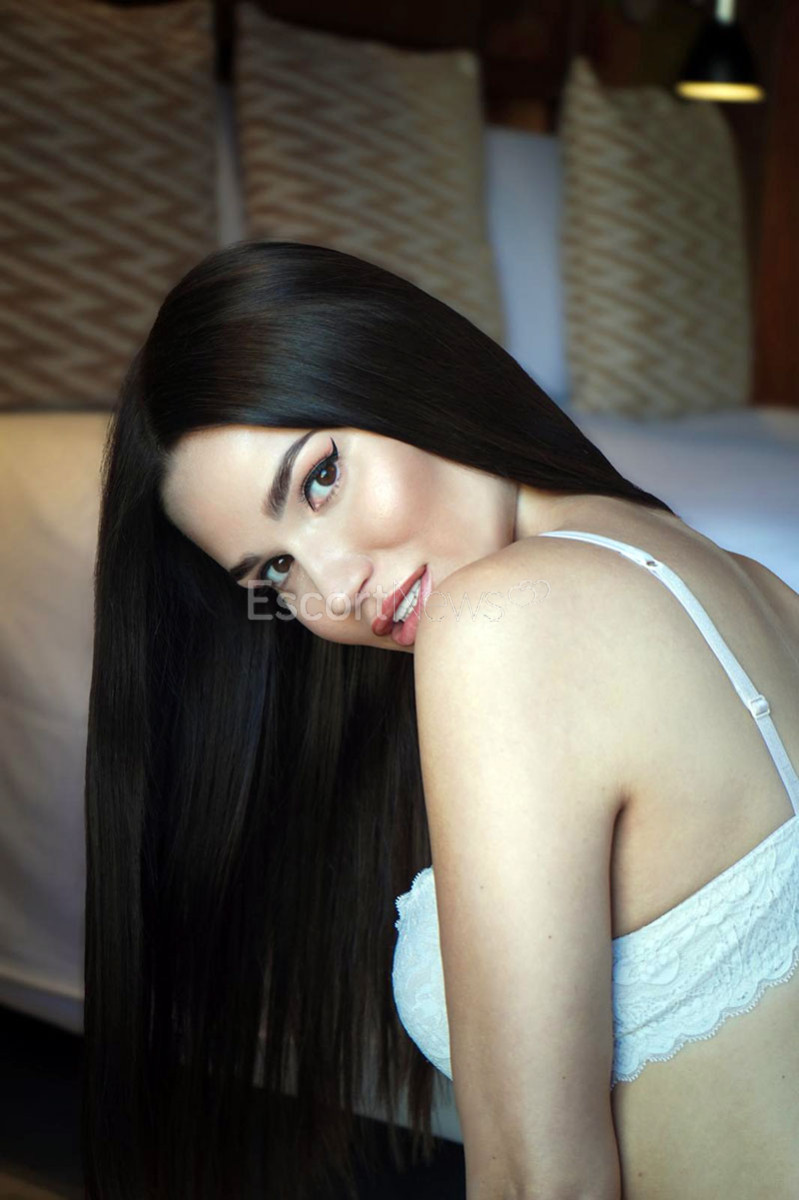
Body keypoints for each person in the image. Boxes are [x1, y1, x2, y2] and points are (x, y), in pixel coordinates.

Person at [82, 239, 799, 1200]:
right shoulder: (750, 582)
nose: (336, 589)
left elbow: (541, 1183)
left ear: (402, 371)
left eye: (320, 478)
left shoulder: (502, 620)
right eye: (276, 571)